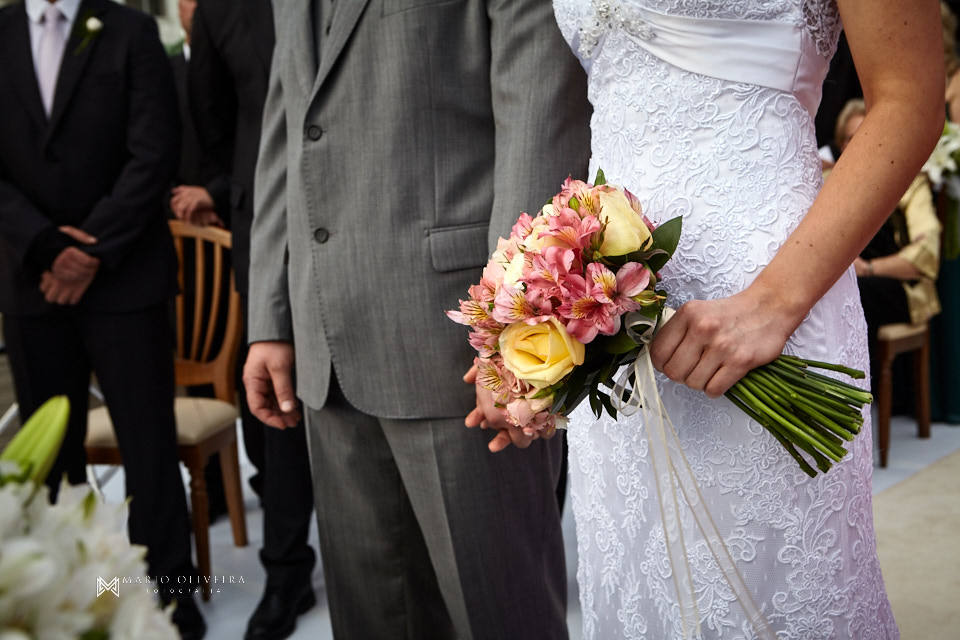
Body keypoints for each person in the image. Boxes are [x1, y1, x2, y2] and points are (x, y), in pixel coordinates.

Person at [492, 1, 938, 638]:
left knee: (776, 593)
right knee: (641, 590)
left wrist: (774, 303)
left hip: (772, 306)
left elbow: (908, 98)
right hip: (611, 324)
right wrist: (534, 317)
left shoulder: (772, 307)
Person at [242, 1, 591, 638]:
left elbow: (536, 115)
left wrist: (510, 335)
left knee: (501, 618)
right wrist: (269, 316)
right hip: (325, 347)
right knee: (372, 622)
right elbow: (288, 125)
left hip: (454, 345)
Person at [0, 0, 206, 638]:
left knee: (149, 449)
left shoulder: (132, 29)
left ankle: (169, 598)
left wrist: (87, 251)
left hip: (125, 280)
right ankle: (64, 600)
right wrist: (44, 247)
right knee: (49, 461)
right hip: (33, 284)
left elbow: (154, 152)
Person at [187, 2, 319, 639]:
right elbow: (208, 116)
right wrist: (232, 191)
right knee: (278, 412)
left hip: (374, 218)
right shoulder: (217, 11)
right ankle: (285, 569)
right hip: (263, 228)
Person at [835, 99, 942, 397]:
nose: (861, 147)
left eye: (869, 137)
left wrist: (866, 268)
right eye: (852, 140)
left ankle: (854, 398)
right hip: (849, 282)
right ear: (842, 145)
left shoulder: (910, 183)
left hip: (902, 287)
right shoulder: (831, 185)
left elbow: (927, 253)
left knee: (852, 293)